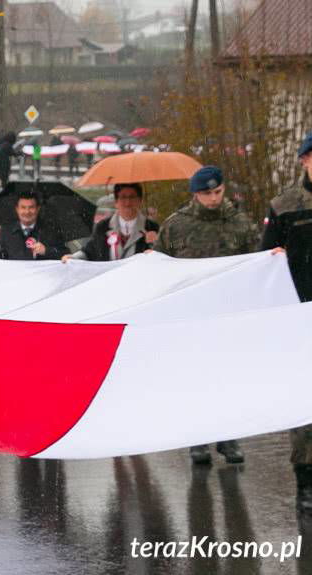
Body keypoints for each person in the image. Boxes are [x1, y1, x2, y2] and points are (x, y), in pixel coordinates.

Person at [154, 166, 258, 465]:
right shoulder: (176, 226)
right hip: (191, 316)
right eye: (206, 194)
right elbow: (161, 266)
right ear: (195, 194)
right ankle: (196, 439)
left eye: (217, 192)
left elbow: (255, 260)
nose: (213, 199)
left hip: (229, 315)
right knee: (195, 378)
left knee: (228, 378)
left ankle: (229, 438)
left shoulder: (239, 223)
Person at [260, 133, 312, 512]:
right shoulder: (285, 206)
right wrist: (274, 256)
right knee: (305, 405)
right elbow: (263, 259)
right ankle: (306, 483)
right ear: (305, 161)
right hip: (299, 315)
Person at [63, 183, 159, 262]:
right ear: (116, 202)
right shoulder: (103, 226)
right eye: (123, 197)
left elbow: (162, 258)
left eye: (132, 197)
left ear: (140, 201)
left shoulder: (152, 228)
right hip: (108, 281)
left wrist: (154, 245)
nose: (128, 202)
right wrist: (72, 258)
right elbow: (90, 251)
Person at [0, 194, 67, 260]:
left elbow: (64, 254)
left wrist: (46, 251)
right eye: (23, 207)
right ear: (17, 209)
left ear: (38, 209)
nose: (27, 212)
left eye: (31, 207)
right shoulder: (6, 231)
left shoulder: (51, 231)